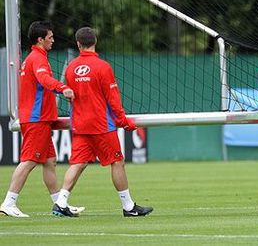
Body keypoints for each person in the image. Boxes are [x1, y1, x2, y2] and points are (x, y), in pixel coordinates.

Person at [51, 27, 153, 217]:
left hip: (80, 125)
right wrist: (124, 121)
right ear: (95, 42)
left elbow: (70, 96)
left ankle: (61, 202)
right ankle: (129, 207)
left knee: (78, 163)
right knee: (117, 161)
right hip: (101, 125)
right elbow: (113, 99)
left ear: (78, 44)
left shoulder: (71, 68)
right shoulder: (102, 67)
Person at [0, 21, 83, 218]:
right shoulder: (37, 59)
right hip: (36, 119)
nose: (53, 40)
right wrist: (63, 88)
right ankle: (8, 203)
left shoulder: (34, 58)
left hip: (40, 118)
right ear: (40, 40)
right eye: (50, 38)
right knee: (29, 161)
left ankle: (59, 204)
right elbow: (44, 80)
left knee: (49, 161)